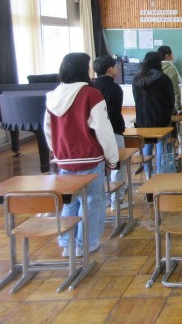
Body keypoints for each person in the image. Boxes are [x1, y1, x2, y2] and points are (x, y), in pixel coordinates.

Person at [44, 52, 118, 256]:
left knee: (70, 201)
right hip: (90, 158)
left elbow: (48, 130)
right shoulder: (91, 94)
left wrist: (59, 152)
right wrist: (112, 158)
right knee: (92, 201)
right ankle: (87, 243)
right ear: (82, 70)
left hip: (64, 159)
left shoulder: (53, 96)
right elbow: (103, 129)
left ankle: (67, 243)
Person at [93, 55, 127, 211]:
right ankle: (117, 201)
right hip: (113, 131)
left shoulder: (91, 87)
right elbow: (113, 113)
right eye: (115, 66)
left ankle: (104, 199)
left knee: (101, 168)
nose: (117, 68)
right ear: (109, 69)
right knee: (117, 166)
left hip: (94, 133)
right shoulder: (115, 88)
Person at [132, 51, 174, 177]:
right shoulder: (163, 78)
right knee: (161, 145)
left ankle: (148, 174)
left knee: (147, 145)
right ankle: (160, 173)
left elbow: (135, 99)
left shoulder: (137, 79)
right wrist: (168, 111)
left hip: (142, 119)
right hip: (161, 118)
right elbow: (171, 99)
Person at [158, 45, 182, 113]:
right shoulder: (171, 69)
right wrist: (178, 107)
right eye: (171, 52)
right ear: (167, 56)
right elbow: (175, 89)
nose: (173, 54)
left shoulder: (155, 67)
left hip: (157, 105)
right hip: (168, 106)